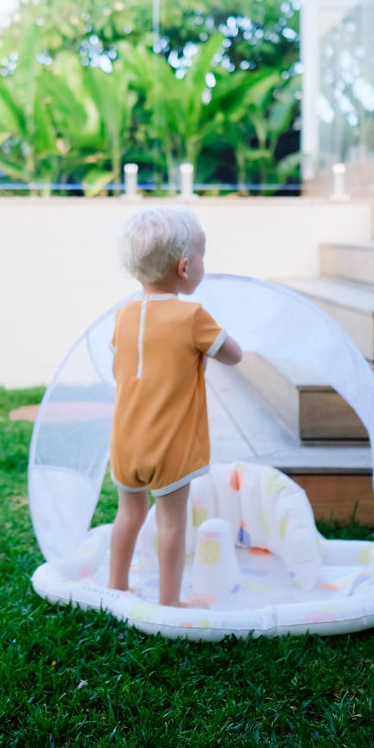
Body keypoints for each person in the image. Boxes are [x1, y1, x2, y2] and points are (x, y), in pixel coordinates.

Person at [108, 206, 243, 608]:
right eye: (202, 257)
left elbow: (121, 352)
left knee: (128, 513)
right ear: (185, 267)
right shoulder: (193, 317)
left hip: (125, 440)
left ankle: (116, 586)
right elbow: (233, 355)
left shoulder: (123, 315)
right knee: (170, 521)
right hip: (168, 447)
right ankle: (169, 602)